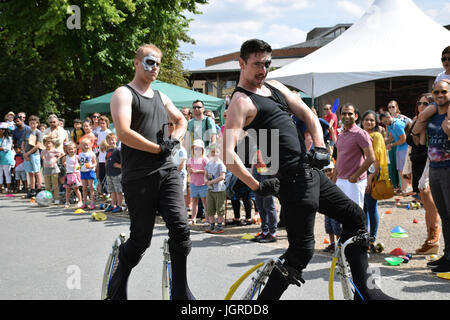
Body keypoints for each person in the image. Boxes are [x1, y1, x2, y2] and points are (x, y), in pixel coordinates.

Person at [222, 39, 393, 300]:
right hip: (290, 181)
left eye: (267, 64)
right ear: (242, 64)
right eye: (256, 64)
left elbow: (310, 116)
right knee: (301, 251)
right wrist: (257, 185)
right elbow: (227, 154)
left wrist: (321, 147)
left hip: (310, 172)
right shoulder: (241, 101)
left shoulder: (275, 86)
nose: (262, 70)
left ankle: (367, 293)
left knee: (355, 218)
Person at [108, 43, 194, 300]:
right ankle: (117, 283)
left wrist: (174, 141)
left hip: (166, 172)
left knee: (180, 228)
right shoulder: (123, 94)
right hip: (138, 176)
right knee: (140, 240)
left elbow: (182, 120)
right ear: (136, 63)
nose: (155, 67)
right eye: (149, 62)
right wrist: (158, 148)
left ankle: (180, 291)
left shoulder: (161, 96)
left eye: (158, 63)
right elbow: (123, 132)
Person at [417, 79, 450, 273]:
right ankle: (447, 256)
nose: (440, 96)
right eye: (436, 92)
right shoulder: (432, 116)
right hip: (435, 168)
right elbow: (418, 138)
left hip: (448, 169)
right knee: (444, 216)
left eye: (444, 92)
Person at [405, 93, 441, 255]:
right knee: (425, 200)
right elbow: (414, 141)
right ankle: (430, 240)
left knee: (428, 194)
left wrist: (419, 128)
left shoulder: (434, 121)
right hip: (417, 161)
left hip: (431, 159)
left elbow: (421, 141)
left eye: (426, 103)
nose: (421, 106)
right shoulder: (416, 120)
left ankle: (435, 233)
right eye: (419, 103)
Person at [335, 103, 375, 209]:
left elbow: (371, 157)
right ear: (340, 116)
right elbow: (339, 158)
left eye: (350, 114)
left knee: (354, 215)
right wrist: (334, 179)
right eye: (344, 113)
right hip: (341, 180)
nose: (347, 116)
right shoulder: (340, 135)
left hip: (354, 182)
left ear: (356, 116)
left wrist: (355, 176)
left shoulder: (360, 134)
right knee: (342, 215)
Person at [412, 46, 450, 153]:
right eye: (444, 59)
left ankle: (449, 142)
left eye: (449, 59)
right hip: (438, 103)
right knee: (422, 115)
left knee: (448, 121)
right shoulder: (440, 75)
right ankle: (413, 134)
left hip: (449, 103)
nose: (446, 61)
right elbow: (434, 91)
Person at [360, 110, 389, 251]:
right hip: (360, 176)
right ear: (362, 121)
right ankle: (364, 238)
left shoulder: (376, 136)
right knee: (363, 209)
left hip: (371, 176)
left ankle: (371, 239)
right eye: (367, 120)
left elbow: (376, 159)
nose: (369, 122)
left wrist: (370, 179)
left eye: (372, 120)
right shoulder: (361, 134)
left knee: (371, 208)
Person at [380, 111, 410, 194]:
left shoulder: (397, 125)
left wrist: (392, 145)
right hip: (399, 148)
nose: (385, 123)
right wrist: (382, 143)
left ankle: (406, 189)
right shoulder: (389, 125)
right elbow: (391, 137)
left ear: (389, 117)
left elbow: (403, 139)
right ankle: (403, 188)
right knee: (400, 169)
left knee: (404, 170)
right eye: (383, 122)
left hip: (405, 148)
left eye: (385, 121)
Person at [252, 149, 278, 243]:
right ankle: (265, 231)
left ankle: (272, 233)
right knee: (259, 204)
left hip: (266, 166)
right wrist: (252, 172)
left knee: (268, 204)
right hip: (257, 166)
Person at [204, 144, 227, 234]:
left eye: (216, 152)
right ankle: (212, 225)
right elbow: (205, 174)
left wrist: (211, 182)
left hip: (219, 190)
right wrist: (205, 180)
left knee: (219, 209)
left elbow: (222, 176)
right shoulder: (209, 163)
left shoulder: (221, 164)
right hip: (210, 190)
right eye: (212, 152)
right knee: (210, 208)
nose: (214, 154)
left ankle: (220, 226)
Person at [187, 139, 208, 224]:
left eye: (199, 149)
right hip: (193, 184)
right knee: (194, 202)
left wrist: (198, 171)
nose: (197, 150)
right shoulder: (190, 159)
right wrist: (190, 171)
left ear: (203, 150)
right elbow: (188, 169)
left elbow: (208, 171)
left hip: (203, 184)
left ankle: (207, 219)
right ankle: (193, 219)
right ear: (193, 149)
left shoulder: (205, 159)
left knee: (204, 202)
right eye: (195, 148)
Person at [22, 115, 43, 198]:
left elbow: (38, 145)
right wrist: (24, 153)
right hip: (26, 155)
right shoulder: (26, 132)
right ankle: (32, 189)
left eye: (34, 123)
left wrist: (28, 153)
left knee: (37, 172)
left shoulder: (38, 132)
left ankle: (39, 189)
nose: (33, 125)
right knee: (30, 173)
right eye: (31, 123)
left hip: (34, 154)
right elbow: (23, 143)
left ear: (37, 124)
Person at [322, 162, 341, 252]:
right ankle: (332, 244)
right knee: (328, 227)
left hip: (335, 208)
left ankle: (338, 245)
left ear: (334, 170)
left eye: (330, 170)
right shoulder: (325, 181)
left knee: (336, 227)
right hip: (327, 208)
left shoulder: (338, 181)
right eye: (326, 171)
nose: (328, 172)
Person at [104, 133, 123, 213]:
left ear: (116, 140)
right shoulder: (108, 151)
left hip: (117, 174)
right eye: (109, 140)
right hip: (109, 173)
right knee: (112, 191)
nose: (111, 141)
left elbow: (123, 162)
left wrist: (118, 165)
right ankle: (113, 205)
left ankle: (120, 206)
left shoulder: (118, 150)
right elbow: (107, 160)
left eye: (112, 140)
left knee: (118, 191)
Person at [41, 137, 64, 204]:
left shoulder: (54, 150)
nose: (47, 145)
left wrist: (56, 159)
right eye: (46, 143)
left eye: (49, 143)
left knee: (55, 185)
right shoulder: (43, 151)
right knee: (47, 186)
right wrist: (44, 159)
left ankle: (56, 198)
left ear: (52, 144)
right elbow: (42, 156)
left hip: (54, 169)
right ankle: (48, 199)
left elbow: (62, 154)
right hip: (46, 169)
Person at [62, 142, 82, 208]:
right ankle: (67, 202)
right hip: (68, 175)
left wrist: (78, 168)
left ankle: (80, 201)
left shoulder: (77, 157)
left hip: (75, 175)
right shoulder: (65, 157)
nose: (70, 150)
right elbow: (63, 162)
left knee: (76, 189)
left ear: (75, 149)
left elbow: (80, 164)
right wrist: (64, 164)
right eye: (69, 149)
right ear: (67, 150)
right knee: (68, 190)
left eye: (72, 149)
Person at [78, 138, 97, 210]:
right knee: (84, 188)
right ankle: (85, 202)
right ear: (81, 146)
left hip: (90, 171)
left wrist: (91, 166)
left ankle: (92, 202)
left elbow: (95, 163)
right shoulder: (80, 154)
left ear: (90, 145)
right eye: (84, 145)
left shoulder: (91, 153)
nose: (85, 146)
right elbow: (79, 163)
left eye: (87, 145)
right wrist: (78, 168)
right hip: (83, 172)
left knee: (91, 188)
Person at [96, 115, 112, 195]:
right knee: (101, 175)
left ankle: (108, 192)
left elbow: (110, 144)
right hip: (101, 156)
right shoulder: (99, 132)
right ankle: (105, 193)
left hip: (107, 155)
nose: (102, 125)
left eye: (103, 123)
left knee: (107, 175)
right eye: (100, 123)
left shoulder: (108, 132)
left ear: (106, 123)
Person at [0, 122, 14, 193]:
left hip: (6, 159)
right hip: (0, 159)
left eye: (3, 129)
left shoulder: (9, 138)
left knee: (7, 174)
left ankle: (8, 189)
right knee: (0, 174)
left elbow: (8, 148)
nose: (1, 130)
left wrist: (1, 148)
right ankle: (0, 188)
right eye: (0, 129)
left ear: (5, 130)